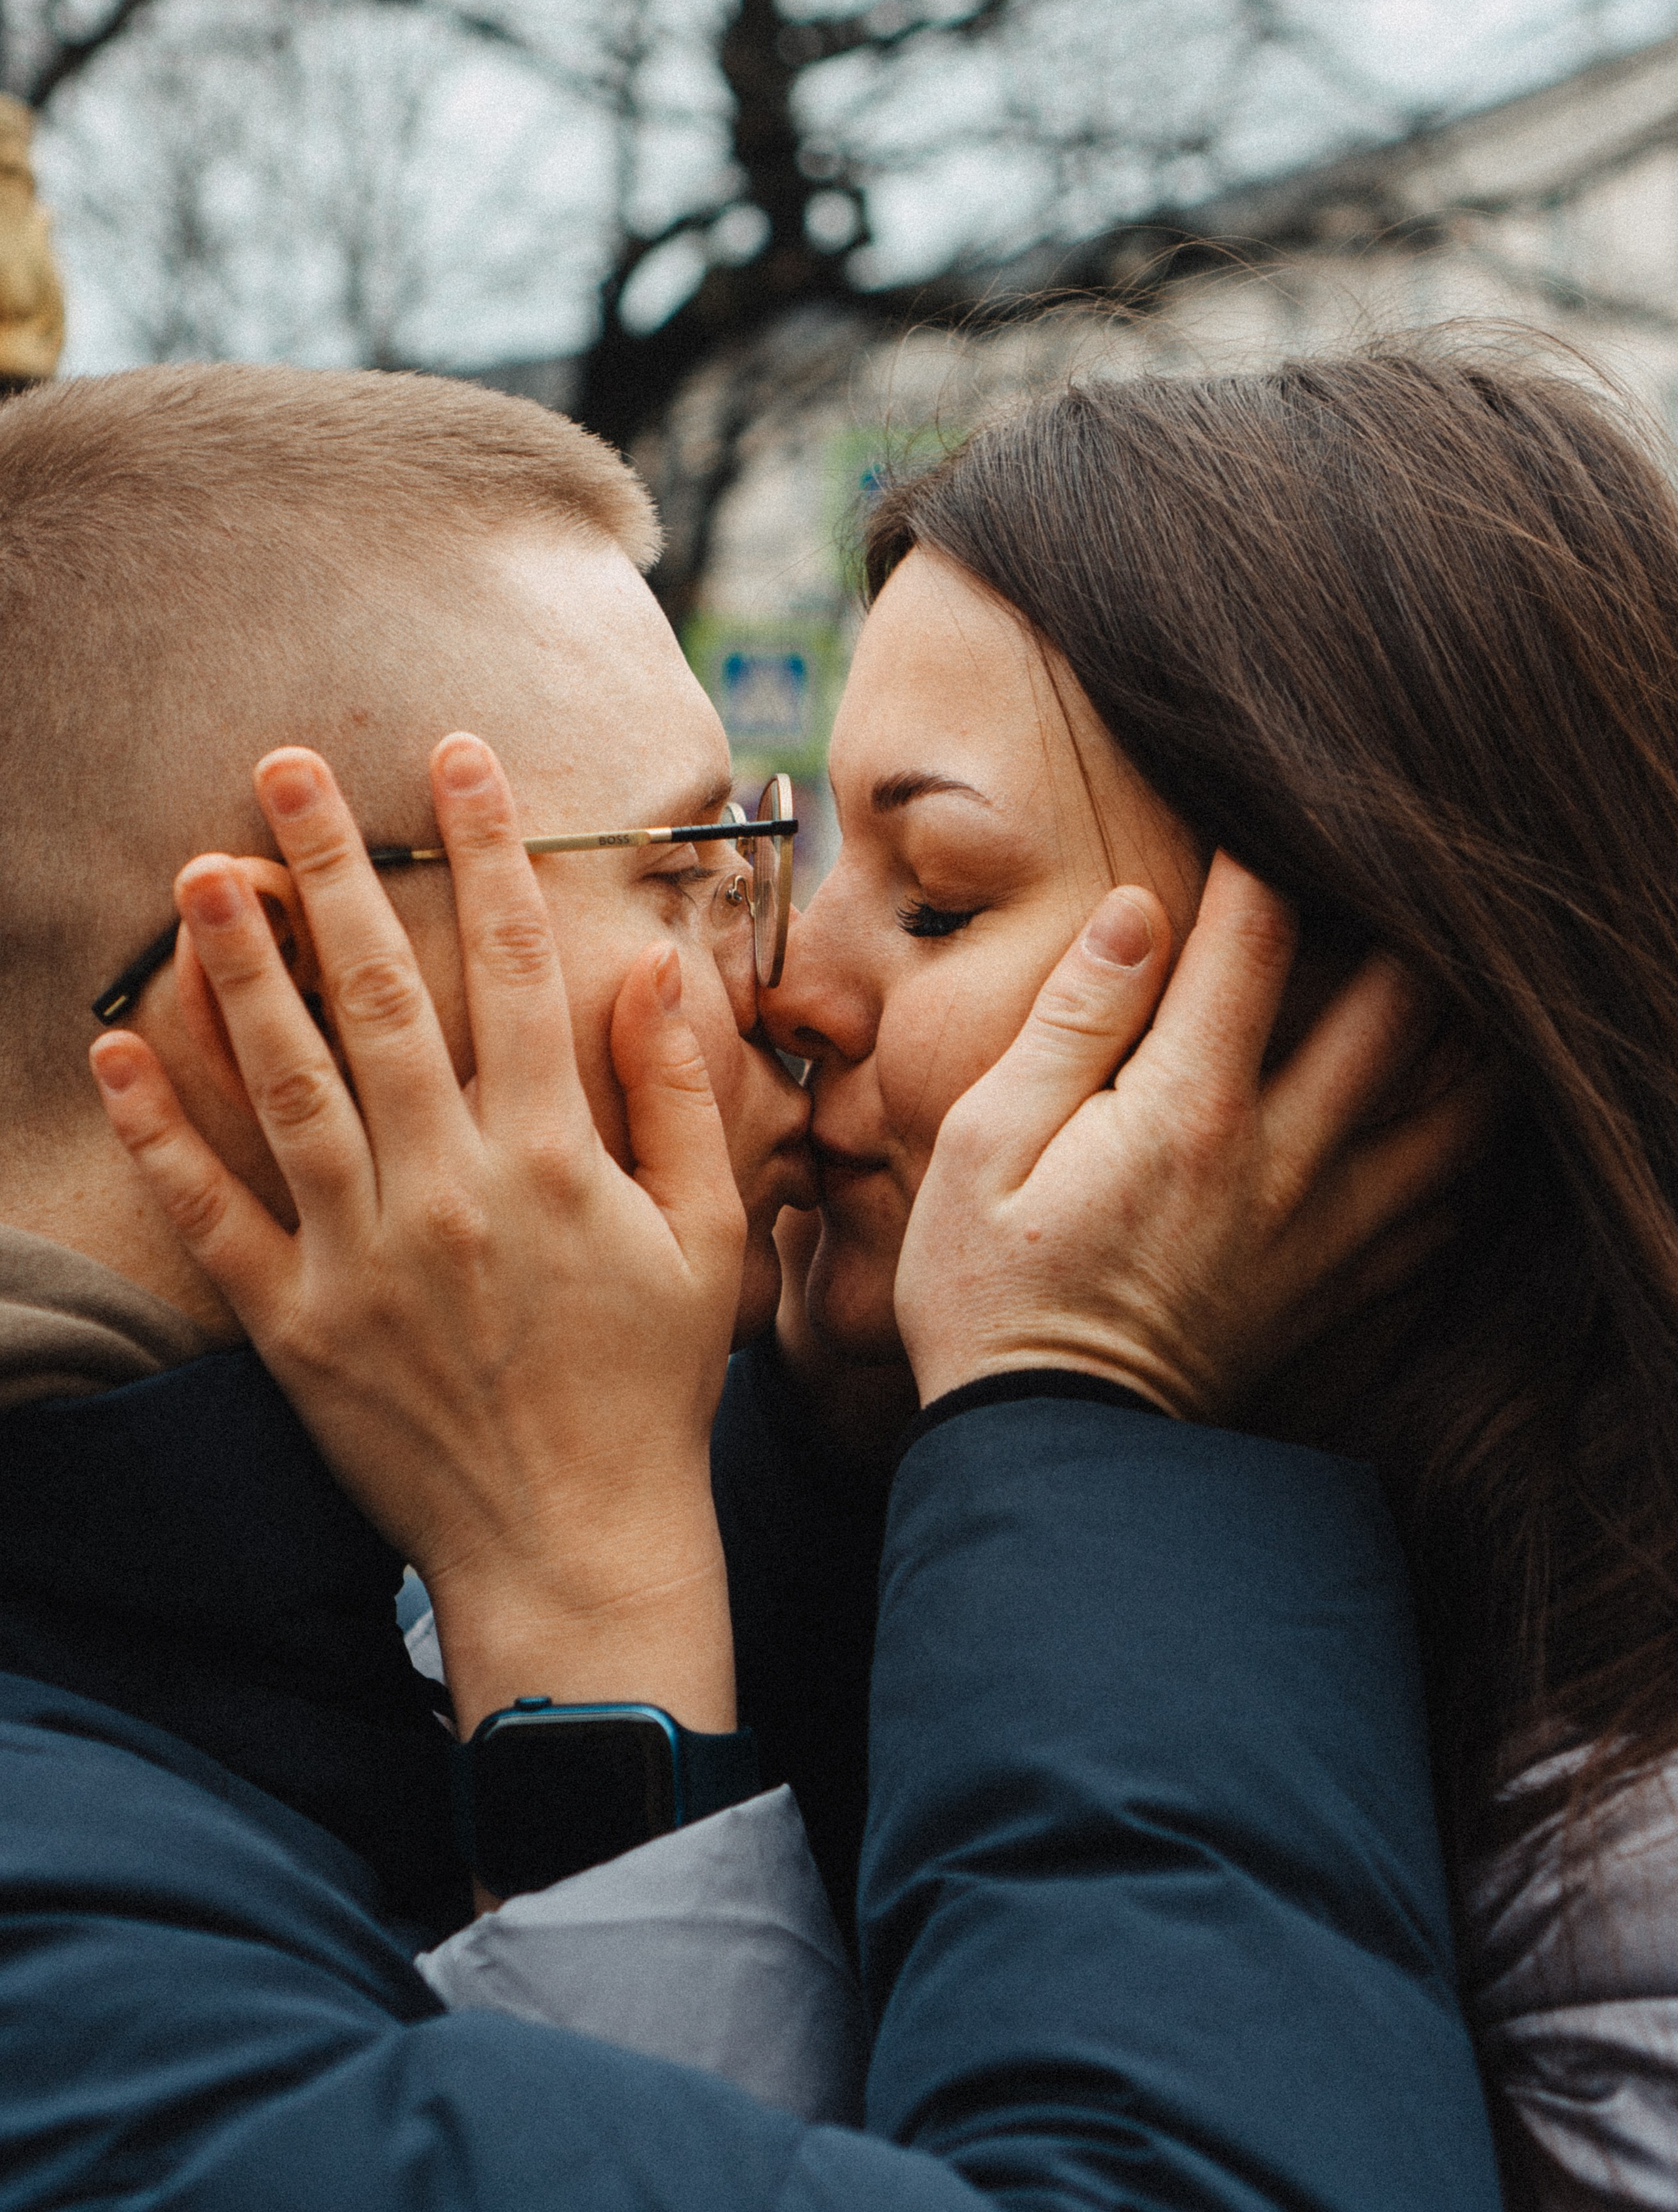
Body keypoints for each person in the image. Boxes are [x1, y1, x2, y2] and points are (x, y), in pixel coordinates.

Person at [0, 361, 1500, 2211]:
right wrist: (1089, 1416)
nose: (778, 980)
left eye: (907, 892)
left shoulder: (330, 1605)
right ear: (308, 998)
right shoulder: (65, 1975)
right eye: (692, 869)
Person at [741, 342, 1678, 2209]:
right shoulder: (815, 1459)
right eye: (815, 859)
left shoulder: (1626, 1849)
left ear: (1371, 1013)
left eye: (936, 900)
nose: (788, 993)